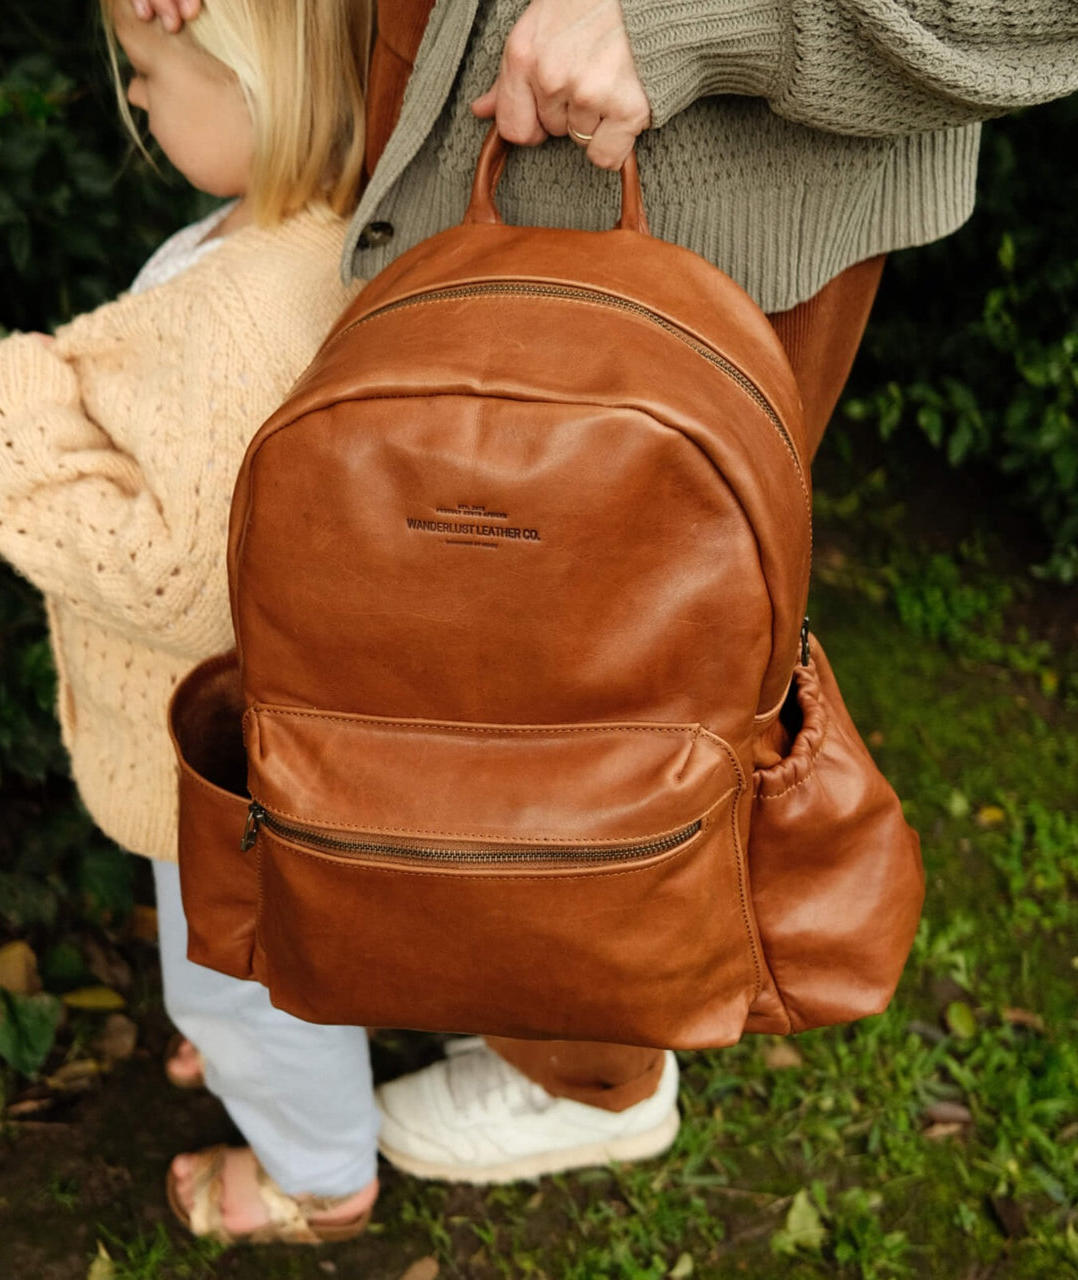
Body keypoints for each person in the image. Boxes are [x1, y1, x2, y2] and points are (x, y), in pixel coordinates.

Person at [135, 0, 1078, 1188]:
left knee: (611, 704)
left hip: (718, 193)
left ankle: (584, 1077)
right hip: (422, 108)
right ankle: (407, 929)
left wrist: (689, 22)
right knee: (397, 659)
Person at [0, 0, 382, 1245]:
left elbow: (176, 576)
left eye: (145, 72)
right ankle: (243, 1039)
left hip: (220, 745)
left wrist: (14, 404)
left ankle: (317, 1170)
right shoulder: (309, 237)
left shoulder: (237, 310)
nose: (132, 96)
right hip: (275, 724)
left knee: (248, 967)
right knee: (256, 938)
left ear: (251, 85)